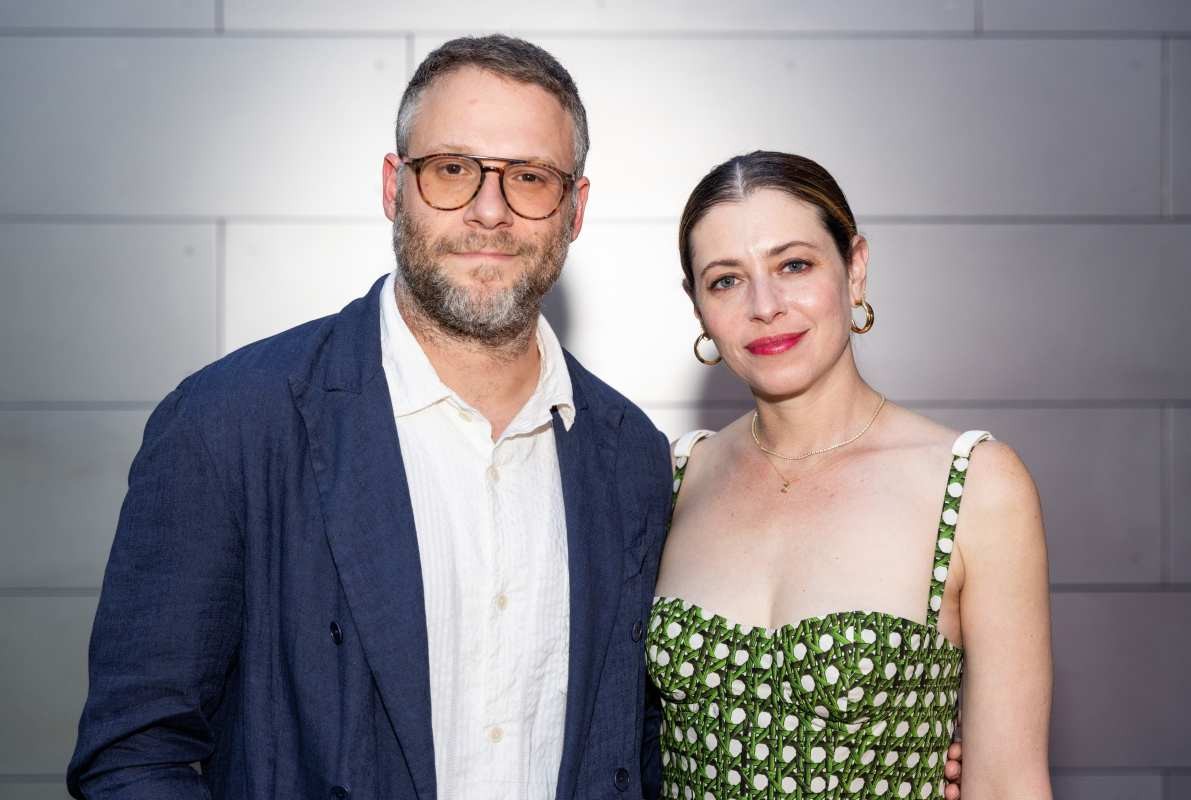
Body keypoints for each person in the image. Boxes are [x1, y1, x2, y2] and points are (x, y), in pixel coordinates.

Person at [67, 35, 963, 799]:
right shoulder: (232, 423)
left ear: (574, 210)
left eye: (530, 178)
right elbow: (134, 752)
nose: (490, 211)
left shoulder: (633, 461)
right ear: (395, 186)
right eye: (452, 169)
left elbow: (655, 748)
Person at [646, 151, 1052, 798]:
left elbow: (1007, 782)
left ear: (854, 268)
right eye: (725, 280)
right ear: (697, 306)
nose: (765, 305)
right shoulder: (673, 476)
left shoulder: (974, 485)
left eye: (794, 265)